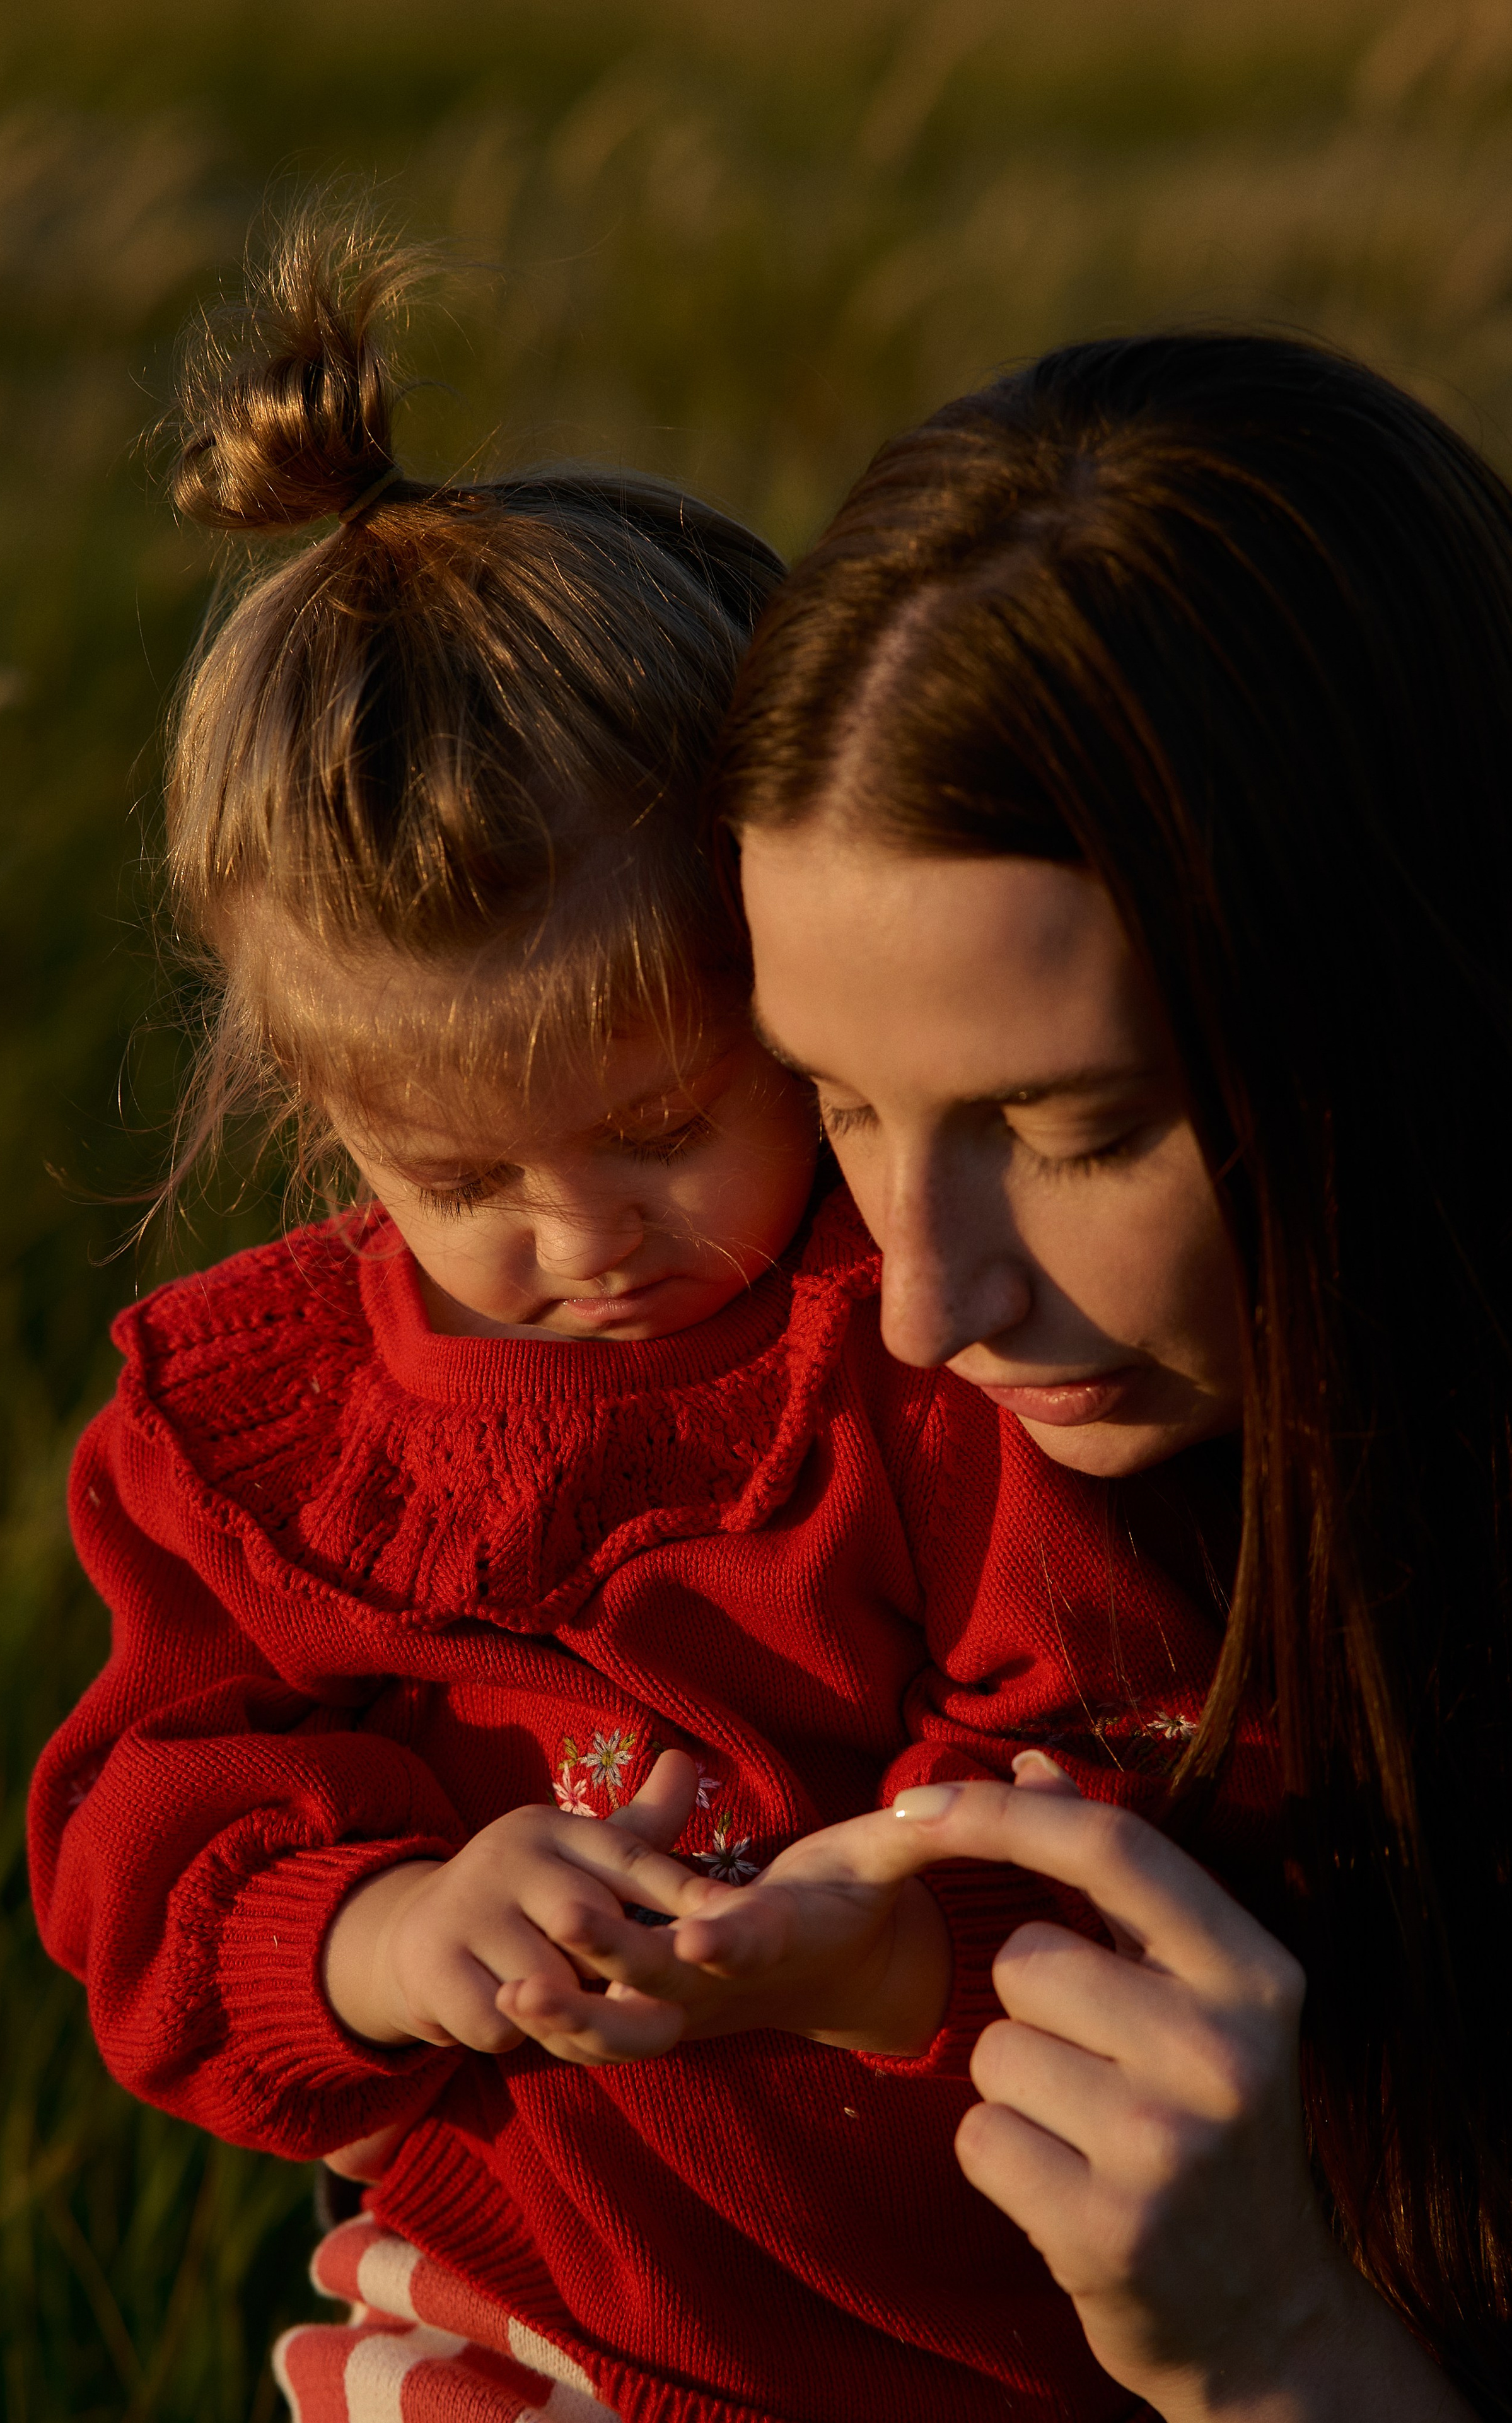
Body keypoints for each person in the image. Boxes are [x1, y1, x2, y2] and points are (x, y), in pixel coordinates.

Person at [29, 222, 1269, 2422]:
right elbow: (143, 1857)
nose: (587, 1234)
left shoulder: (917, 1346)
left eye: (667, 1120)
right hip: (539, 2327)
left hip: (973, 2347)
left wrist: (884, 1938)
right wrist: (388, 1933)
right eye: (465, 1176)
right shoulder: (255, 1438)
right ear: (322, 1111)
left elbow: (1133, 1737)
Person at [515, 332, 1511, 2419]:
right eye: (840, 1101)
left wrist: (1284, 2351)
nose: (919, 1301)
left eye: (1071, 1131)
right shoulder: (843, 1462)